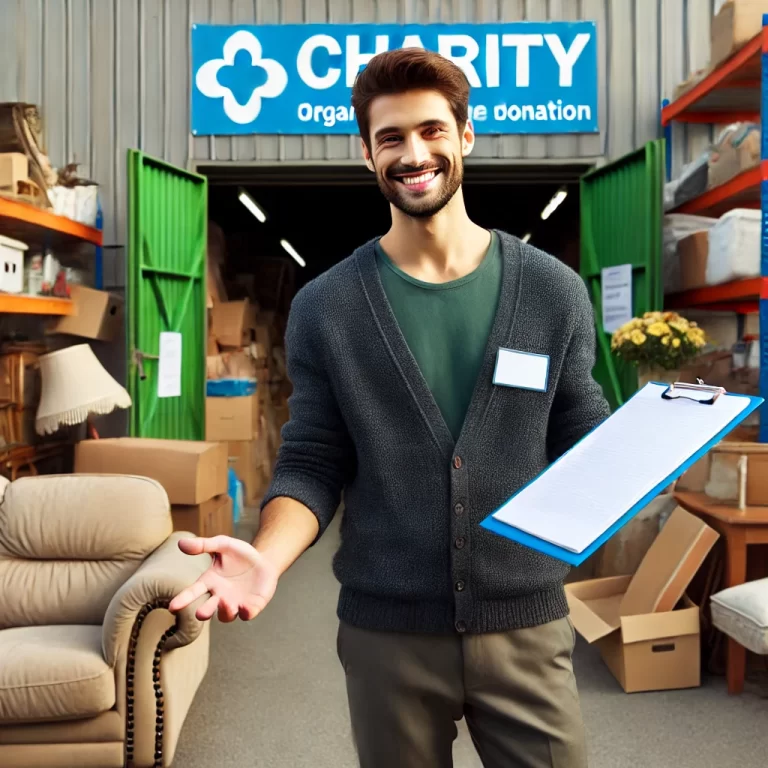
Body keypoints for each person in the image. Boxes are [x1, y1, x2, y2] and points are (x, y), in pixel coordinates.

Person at [170, 47, 610, 768]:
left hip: (526, 625)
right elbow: (314, 458)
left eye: (432, 131)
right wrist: (269, 559)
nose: (414, 153)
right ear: (367, 154)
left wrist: (646, 449)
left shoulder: (552, 291)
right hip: (388, 637)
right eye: (391, 138)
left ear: (466, 137)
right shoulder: (327, 308)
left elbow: (579, 423)